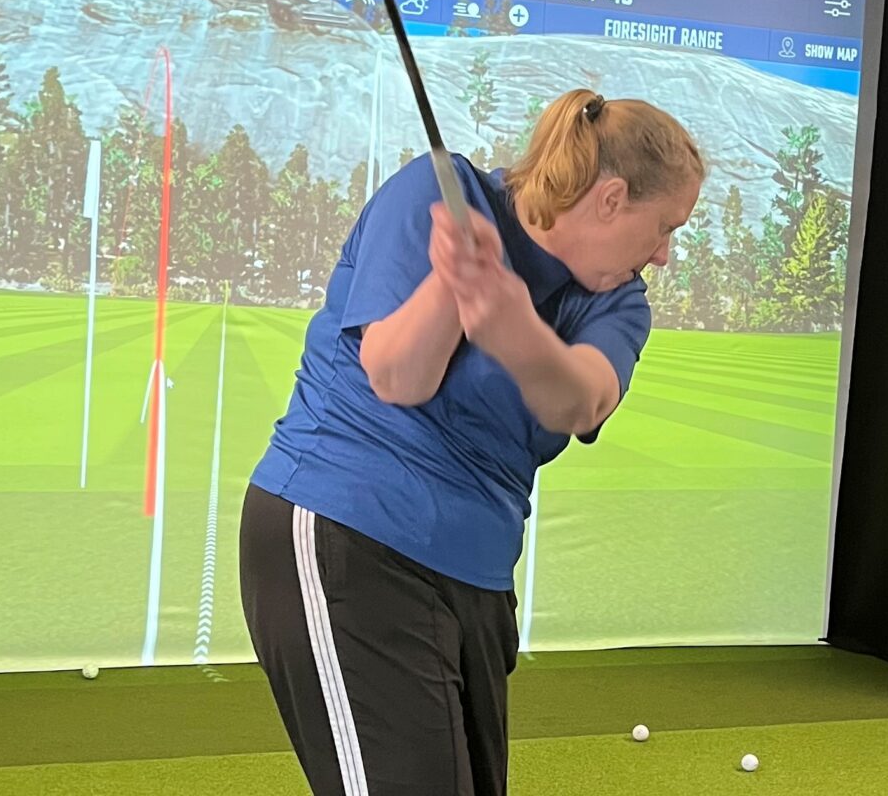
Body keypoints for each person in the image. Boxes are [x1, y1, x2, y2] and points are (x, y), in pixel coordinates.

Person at [239, 88, 704, 796]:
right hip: (349, 534)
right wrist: (455, 287)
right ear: (611, 200)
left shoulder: (615, 300)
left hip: (474, 575)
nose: (666, 254)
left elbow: (580, 399)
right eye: (665, 225)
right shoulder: (439, 192)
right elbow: (396, 373)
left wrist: (511, 323)